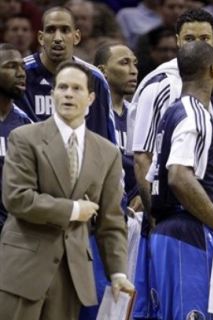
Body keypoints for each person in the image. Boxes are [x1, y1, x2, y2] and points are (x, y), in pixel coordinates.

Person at [0, 61, 134, 320]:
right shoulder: (24, 137)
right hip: (23, 270)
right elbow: (17, 199)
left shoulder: (107, 153)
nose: (68, 94)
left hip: (72, 277)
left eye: (76, 88)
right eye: (62, 88)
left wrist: (118, 273)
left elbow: (112, 221)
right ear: (52, 95)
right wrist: (74, 210)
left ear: (91, 98)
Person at [147, 41, 213, 320]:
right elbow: (178, 176)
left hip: (167, 232)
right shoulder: (195, 114)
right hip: (189, 235)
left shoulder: (171, 112)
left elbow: (153, 176)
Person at [129, 8, 213, 217]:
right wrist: (154, 217)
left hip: (212, 211)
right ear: (178, 41)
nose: (197, 44)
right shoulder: (158, 86)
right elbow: (143, 159)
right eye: (189, 38)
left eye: (205, 38)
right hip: (171, 212)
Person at [14, 7, 117, 144]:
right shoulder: (20, 73)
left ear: (76, 37)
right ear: (41, 37)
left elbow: (105, 141)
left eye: (65, 30)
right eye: (51, 30)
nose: (57, 38)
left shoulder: (94, 78)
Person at [95, 43, 141, 211]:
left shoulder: (139, 115)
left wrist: (144, 193)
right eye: (124, 63)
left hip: (135, 211)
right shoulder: (91, 115)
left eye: (134, 63)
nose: (133, 70)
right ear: (103, 71)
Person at [0, 43, 31, 233]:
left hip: (15, 233)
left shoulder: (26, 125)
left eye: (23, 67)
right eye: (11, 66)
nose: (21, 73)